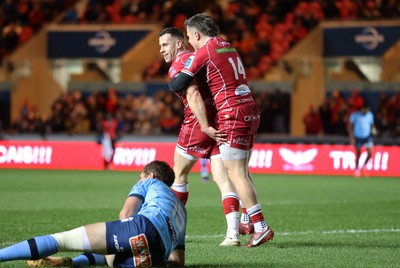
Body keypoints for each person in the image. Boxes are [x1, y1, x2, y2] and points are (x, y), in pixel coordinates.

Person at [169, 13, 274, 248]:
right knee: (242, 172)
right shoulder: (229, 47)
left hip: (231, 113)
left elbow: (178, 84)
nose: (189, 43)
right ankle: (247, 221)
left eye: (189, 37)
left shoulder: (204, 52)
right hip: (250, 109)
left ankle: (261, 227)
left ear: (197, 34)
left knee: (235, 174)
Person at [0, 160, 187, 267]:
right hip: (156, 254)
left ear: (150, 175)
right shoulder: (182, 210)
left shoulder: (148, 182)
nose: (138, 179)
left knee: (61, 240)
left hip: (142, 227)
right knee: (111, 254)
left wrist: (122, 233)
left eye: (140, 176)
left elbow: (126, 214)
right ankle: (74, 263)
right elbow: (178, 262)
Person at [159, 26, 241, 246]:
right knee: (223, 179)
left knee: (179, 174)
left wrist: (204, 126)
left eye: (165, 44)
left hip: (198, 123)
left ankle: (171, 228)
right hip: (220, 121)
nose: (162, 50)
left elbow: (193, 93)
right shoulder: (200, 56)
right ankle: (233, 233)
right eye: (160, 46)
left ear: (179, 44)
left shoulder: (179, 63)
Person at [348, 104, 377, 178]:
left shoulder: (369, 115)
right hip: (358, 137)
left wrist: (374, 130)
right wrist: (352, 137)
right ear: (361, 109)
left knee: (370, 152)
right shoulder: (355, 115)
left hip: (367, 136)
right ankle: (357, 169)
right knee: (358, 153)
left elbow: (372, 123)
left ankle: (364, 166)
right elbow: (350, 126)